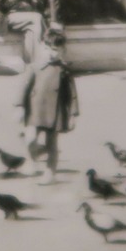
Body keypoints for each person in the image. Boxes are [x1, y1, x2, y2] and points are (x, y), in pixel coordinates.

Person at [21, 30, 78, 176]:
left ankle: (49, 172)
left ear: (62, 49)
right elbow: (24, 88)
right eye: (48, 49)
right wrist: (19, 107)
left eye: (55, 50)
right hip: (35, 110)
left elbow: (72, 94)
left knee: (52, 144)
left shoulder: (64, 70)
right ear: (42, 47)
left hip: (55, 111)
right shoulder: (35, 66)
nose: (51, 53)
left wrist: (73, 115)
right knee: (30, 139)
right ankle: (32, 159)